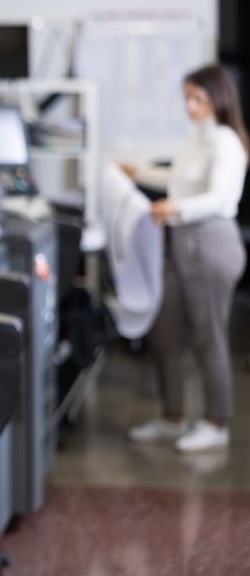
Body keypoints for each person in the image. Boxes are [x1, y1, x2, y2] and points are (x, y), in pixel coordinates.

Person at [121, 64, 249, 452]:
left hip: (212, 244)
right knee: (163, 328)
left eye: (199, 98)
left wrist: (174, 209)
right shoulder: (197, 137)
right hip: (182, 244)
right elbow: (179, 179)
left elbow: (220, 199)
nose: (191, 106)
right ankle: (172, 416)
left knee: (208, 337)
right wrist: (138, 172)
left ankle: (216, 422)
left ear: (218, 98)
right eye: (188, 98)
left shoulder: (226, 142)